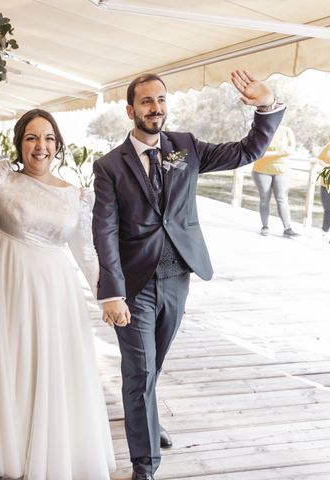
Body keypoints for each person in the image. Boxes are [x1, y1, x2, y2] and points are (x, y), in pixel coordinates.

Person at [92, 70, 284, 480]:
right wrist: (112, 292)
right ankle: (145, 466)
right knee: (140, 369)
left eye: (160, 100)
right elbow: (104, 230)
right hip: (134, 284)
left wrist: (266, 107)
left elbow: (247, 151)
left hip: (178, 275)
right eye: (146, 101)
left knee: (153, 362)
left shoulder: (186, 147)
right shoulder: (109, 166)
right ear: (130, 110)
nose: (155, 107)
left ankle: (149, 419)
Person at [0, 53, 115, 480]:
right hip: (5, 285)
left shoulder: (74, 195)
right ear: (19, 144)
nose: (41, 146)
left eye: (49, 138)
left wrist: (109, 296)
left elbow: (86, 252)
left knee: (49, 368)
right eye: (32, 138)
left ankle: (47, 450)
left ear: (58, 144)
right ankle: (4, 447)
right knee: (5, 363)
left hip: (54, 292)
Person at [251, 124, 299, 237]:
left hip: (282, 170)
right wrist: (278, 153)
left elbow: (292, 150)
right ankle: (265, 226)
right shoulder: (260, 129)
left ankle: (287, 228)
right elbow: (257, 152)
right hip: (261, 170)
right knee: (264, 198)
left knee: (282, 198)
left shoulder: (287, 130)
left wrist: (277, 152)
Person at [317, 141, 330, 241]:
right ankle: (325, 231)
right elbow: (319, 159)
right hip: (325, 181)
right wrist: (327, 166)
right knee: (327, 208)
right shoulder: (328, 145)